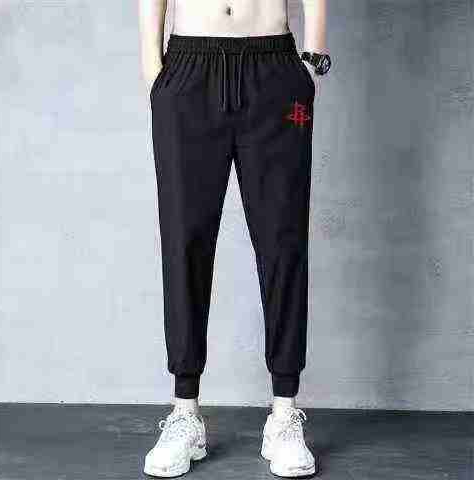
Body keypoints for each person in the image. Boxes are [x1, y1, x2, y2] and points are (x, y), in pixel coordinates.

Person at [138, 0, 331, 476]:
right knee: (184, 241)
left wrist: (312, 62)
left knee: (284, 241)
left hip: (275, 72)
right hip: (188, 71)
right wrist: (152, 68)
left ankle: (284, 414)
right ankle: (185, 413)